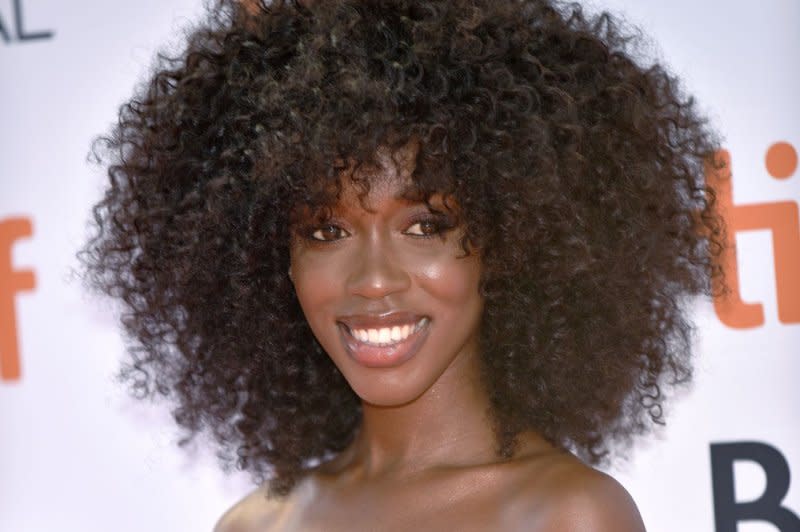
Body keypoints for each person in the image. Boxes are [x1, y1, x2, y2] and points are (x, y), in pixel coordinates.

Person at [80, 0, 728, 529]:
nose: (374, 279)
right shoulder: (256, 526)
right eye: (327, 230)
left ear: (508, 241)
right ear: (269, 260)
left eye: (425, 227)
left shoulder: (566, 516)